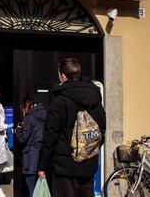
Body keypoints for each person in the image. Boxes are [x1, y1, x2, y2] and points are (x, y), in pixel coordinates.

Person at [38, 58, 106, 197]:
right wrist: (88, 149)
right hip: (88, 164)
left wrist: (42, 165)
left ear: (62, 76)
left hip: (65, 166)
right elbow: (102, 129)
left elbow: (50, 136)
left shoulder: (60, 100)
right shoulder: (94, 97)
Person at [16, 96, 47, 197]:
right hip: (41, 155)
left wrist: (18, 130)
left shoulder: (29, 118)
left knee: (32, 190)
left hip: (30, 156)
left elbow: (23, 138)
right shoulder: (44, 115)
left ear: (26, 106)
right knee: (39, 189)